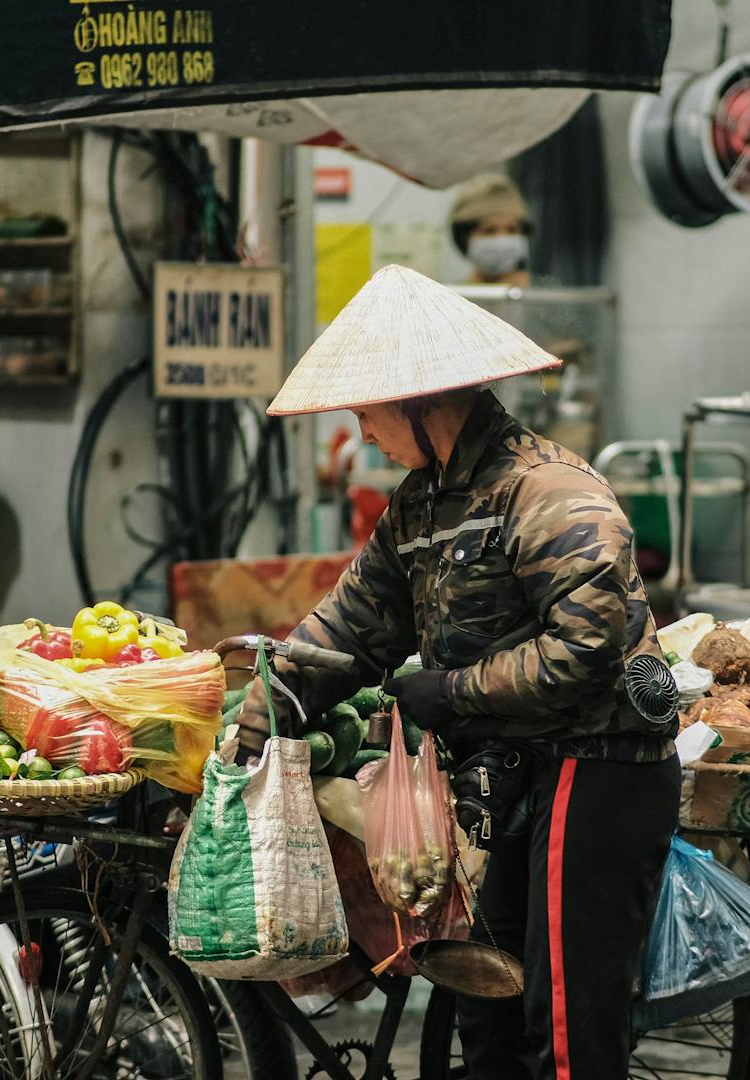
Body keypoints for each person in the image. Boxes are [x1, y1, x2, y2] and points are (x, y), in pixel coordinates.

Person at [241, 265, 678, 1079]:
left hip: (596, 769)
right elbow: (350, 627)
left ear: (421, 400)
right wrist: (262, 716)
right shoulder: (420, 506)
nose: (362, 433)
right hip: (504, 777)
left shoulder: (548, 492)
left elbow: (590, 648)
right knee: (488, 1024)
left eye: (367, 412)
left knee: (565, 1035)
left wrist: (451, 692)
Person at [449, 173, 533, 287]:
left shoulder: (545, 297)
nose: (501, 239)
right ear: (464, 237)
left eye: (512, 230)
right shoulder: (450, 298)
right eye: (489, 230)